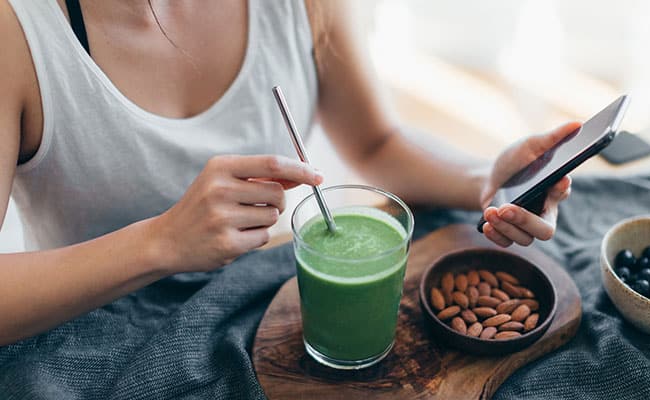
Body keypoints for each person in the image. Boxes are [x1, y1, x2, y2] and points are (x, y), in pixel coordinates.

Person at [0, 0, 575, 347]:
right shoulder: (17, 32)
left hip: (264, 317)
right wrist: (162, 242)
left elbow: (377, 143)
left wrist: (486, 182)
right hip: (89, 346)